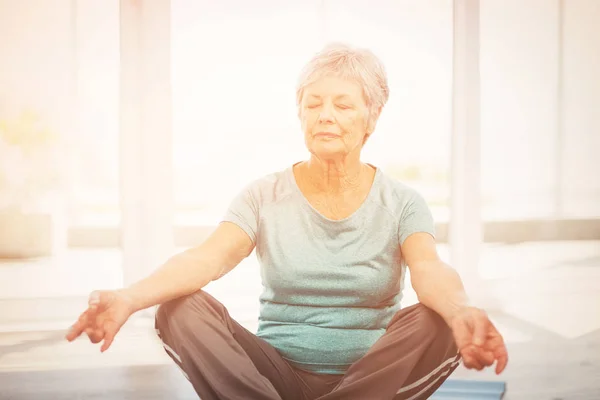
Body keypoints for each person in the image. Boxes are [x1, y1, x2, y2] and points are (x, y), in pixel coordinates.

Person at [66, 42, 508, 400]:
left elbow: (429, 269)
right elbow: (208, 259)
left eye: (342, 105)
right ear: (300, 113)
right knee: (180, 309)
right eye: (313, 103)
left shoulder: (403, 202)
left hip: (370, 380)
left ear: (371, 118)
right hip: (272, 380)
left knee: (439, 320)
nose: (325, 115)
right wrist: (128, 296)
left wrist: (460, 309)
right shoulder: (263, 195)